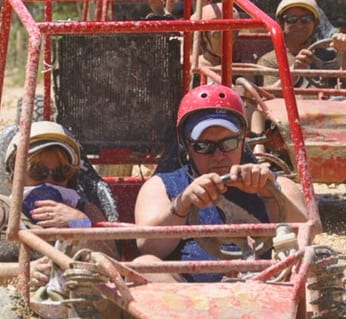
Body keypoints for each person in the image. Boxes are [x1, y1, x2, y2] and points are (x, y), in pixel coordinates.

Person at [133, 84, 313, 282]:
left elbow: (308, 235)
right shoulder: (162, 187)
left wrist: (270, 194)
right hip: (188, 295)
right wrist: (182, 204)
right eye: (204, 146)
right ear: (186, 146)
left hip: (268, 288)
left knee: (313, 260)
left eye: (228, 143)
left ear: (242, 141)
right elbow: (147, 247)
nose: (218, 156)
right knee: (145, 265)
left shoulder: (277, 184)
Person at [0, 121, 109, 292]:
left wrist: (81, 224)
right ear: (14, 175)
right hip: (8, 303)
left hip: (75, 304)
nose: (49, 181)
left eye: (61, 173)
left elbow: (113, 269)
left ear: (70, 178)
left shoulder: (86, 212)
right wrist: (22, 272)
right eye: (37, 171)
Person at [255, 0, 346, 89]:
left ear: (315, 24)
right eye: (291, 19)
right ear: (282, 24)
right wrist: (294, 72)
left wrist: (345, 48)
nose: (299, 25)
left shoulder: (328, 55)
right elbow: (270, 95)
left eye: (306, 19)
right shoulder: (270, 61)